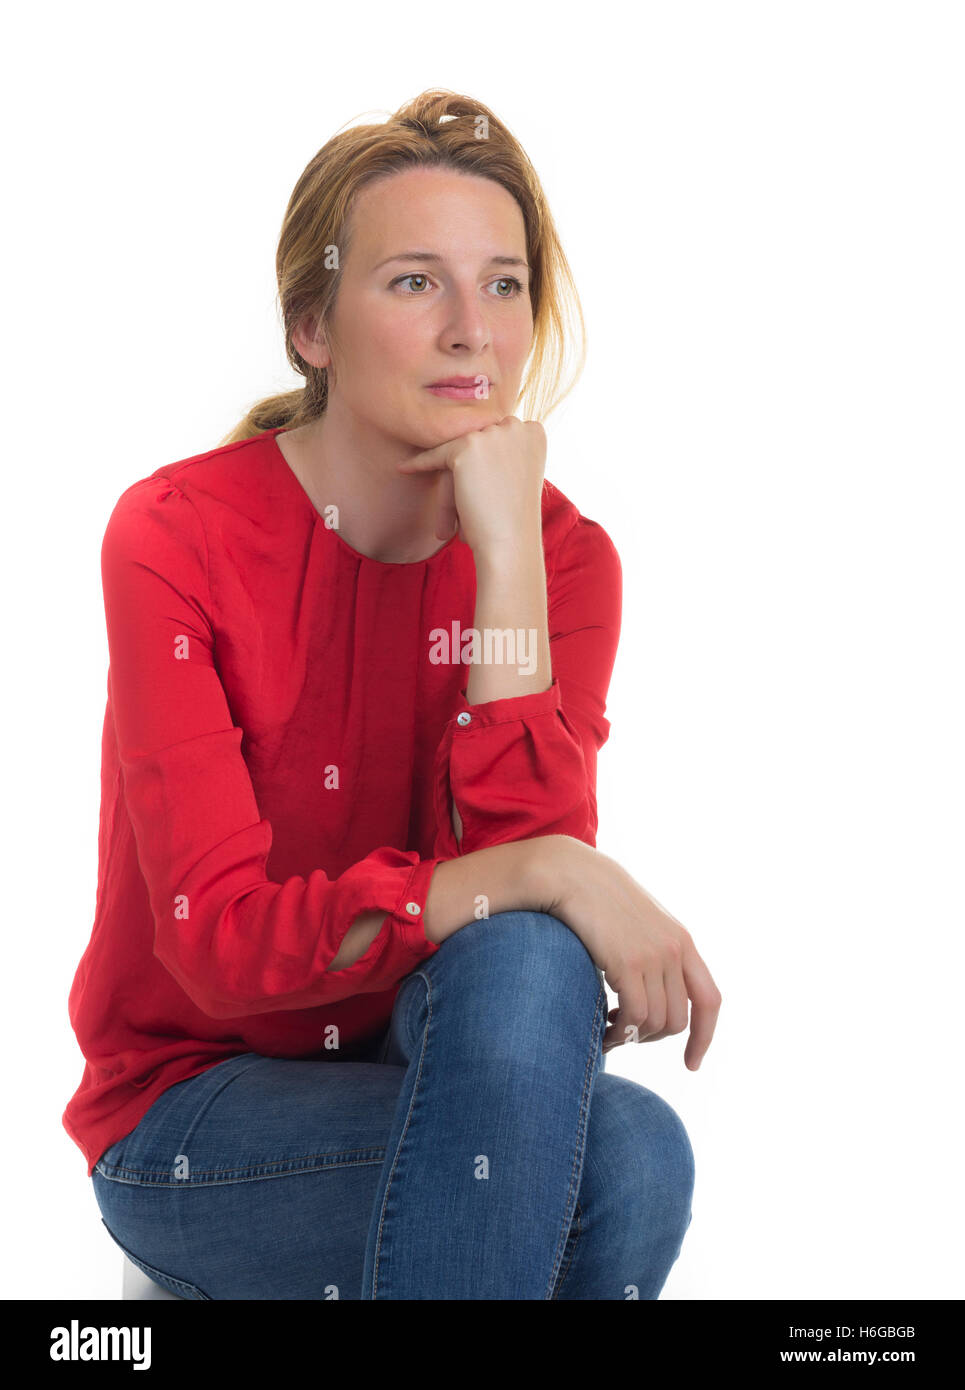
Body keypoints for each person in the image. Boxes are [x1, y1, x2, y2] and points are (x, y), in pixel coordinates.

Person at [64, 88, 722, 1300]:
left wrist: (507, 553)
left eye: (506, 285)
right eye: (416, 282)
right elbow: (218, 945)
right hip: (193, 1116)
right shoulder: (175, 535)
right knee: (607, 1158)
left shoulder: (565, 559)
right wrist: (545, 869)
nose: (472, 330)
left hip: (427, 1073)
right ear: (311, 326)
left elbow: (527, 927)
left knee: (612, 1102)